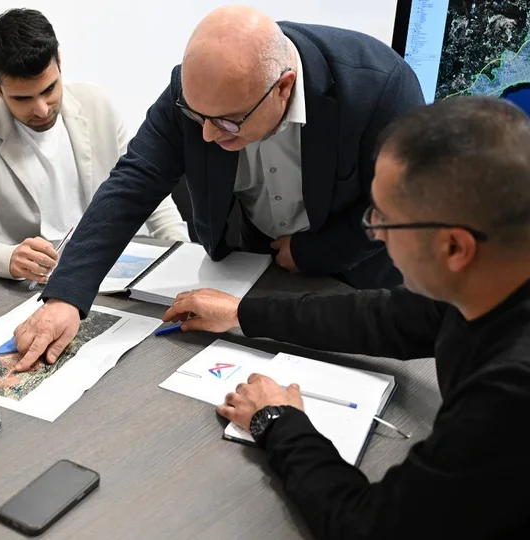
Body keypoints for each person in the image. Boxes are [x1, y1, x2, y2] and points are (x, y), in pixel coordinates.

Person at [159, 96, 530, 538]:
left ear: (454, 248)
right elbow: (385, 318)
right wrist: (242, 312)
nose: (373, 233)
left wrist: (277, 422)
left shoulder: (509, 395)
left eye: (385, 220)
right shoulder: (493, 271)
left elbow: (367, 526)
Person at [12, 5, 426, 371]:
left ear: (283, 88)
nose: (208, 136)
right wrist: (66, 294)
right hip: (253, 267)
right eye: (198, 118)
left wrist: (313, 251)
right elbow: (134, 180)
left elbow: (399, 206)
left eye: (227, 122)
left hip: (358, 275)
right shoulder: (198, 94)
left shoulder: (380, 87)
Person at [0, 8, 189, 283]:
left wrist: (180, 252)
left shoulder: (97, 104)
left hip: (109, 267)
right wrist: (6, 257)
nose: (41, 109)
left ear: (59, 62)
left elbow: (147, 190)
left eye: (49, 90)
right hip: (28, 285)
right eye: (22, 98)